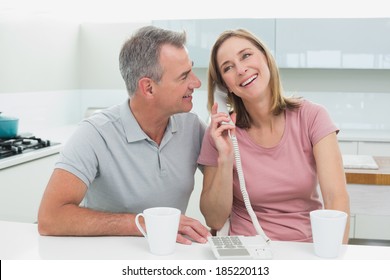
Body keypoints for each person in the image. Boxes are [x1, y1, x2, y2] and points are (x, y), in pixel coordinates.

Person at [38, 26, 210, 245]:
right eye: (184, 76)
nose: (196, 83)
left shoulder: (192, 127)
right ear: (148, 88)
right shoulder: (95, 134)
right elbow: (50, 218)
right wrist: (142, 223)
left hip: (167, 256)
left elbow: (235, 187)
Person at [197, 29, 350, 243]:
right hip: (247, 251)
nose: (241, 69)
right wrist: (225, 159)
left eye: (246, 55)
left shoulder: (312, 117)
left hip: (305, 247)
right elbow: (214, 220)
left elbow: (336, 200)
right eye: (228, 67)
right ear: (225, 85)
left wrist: (335, 258)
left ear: (266, 58)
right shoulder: (221, 132)